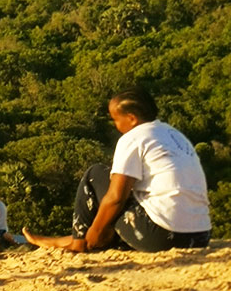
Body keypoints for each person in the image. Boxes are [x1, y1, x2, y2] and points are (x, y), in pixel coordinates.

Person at [24, 88, 212, 253]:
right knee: (126, 197)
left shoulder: (134, 137)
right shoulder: (174, 135)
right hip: (199, 236)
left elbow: (116, 197)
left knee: (95, 174)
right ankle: (72, 239)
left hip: (163, 236)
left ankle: (78, 241)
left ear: (131, 118)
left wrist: (95, 231)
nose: (115, 125)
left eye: (115, 119)